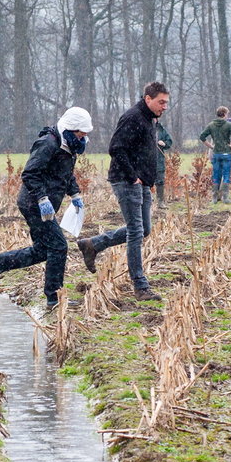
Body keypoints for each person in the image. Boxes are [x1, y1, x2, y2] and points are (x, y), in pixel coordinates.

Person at [0, 107, 92, 309]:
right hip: (34, 204)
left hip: (46, 203)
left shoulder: (69, 145)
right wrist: (42, 199)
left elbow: (65, 173)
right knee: (59, 246)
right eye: (81, 132)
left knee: (43, 250)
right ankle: (54, 298)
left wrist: (75, 193)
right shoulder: (49, 143)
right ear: (71, 129)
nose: (84, 137)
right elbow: (30, 173)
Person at [76, 81, 169, 302]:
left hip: (142, 182)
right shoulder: (133, 117)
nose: (165, 106)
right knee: (136, 231)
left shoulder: (149, 118)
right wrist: (132, 176)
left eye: (166, 103)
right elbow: (115, 147)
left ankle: (93, 244)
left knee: (144, 229)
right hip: (127, 181)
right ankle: (140, 286)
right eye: (161, 102)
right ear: (148, 99)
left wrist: (147, 178)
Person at [199, 106, 231, 203]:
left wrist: (211, 146)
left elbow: (202, 136)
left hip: (216, 153)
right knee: (226, 175)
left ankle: (214, 198)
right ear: (225, 114)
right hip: (226, 153)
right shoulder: (229, 125)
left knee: (216, 175)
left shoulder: (211, 125)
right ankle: (225, 198)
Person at [155, 121, 172, 208]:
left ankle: (160, 202)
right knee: (145, 182)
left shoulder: (161, 130)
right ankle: (147, 202)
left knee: (160, 181)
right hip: (146, 161)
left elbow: (169, 141)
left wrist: (164, 143)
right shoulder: (143, 126)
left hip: (159, 160)